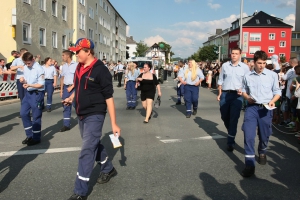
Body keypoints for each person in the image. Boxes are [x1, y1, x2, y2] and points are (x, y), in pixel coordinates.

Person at [63, 38, 120, 200]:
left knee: (87, 150)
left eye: (78, 52)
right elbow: (79, 88)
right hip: (81, 112)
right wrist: (71, 98)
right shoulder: (79, 67)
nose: (75, 55)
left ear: (88, 51)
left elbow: (109, 98)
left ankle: (80, 191)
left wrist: (114, 123)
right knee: (93, 144)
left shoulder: (101, 71)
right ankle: (108, 168)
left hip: (95, 114)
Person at [241, 50, 281, 177]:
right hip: (252, 108)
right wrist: (247, 98)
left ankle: (262, 151)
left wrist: (272, 101)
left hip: (265, 109)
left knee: (264, 135)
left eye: (264, 63)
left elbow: (277, 92)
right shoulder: (247, 76)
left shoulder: (272, 75)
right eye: (259, 63)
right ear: (254, 62)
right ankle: (249, 164)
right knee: (248, 135)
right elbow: (243, 90)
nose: (262, 65)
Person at [217, 47, 249, 152]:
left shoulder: (245, 67)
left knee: (234, 118)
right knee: (224, 116)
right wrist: (219, 93)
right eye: (232, 53)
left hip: (237, 96)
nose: (234, 55)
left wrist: (243, 90)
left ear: (240, 55)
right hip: (225, 94)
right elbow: (220, 80)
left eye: (236, 53)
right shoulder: (225, 65)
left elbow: (247, 83)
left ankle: (230, 142)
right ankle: (230, 130)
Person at [19, 52, 45, 146]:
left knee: (36, 116)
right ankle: (29, 135)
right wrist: (23, 80)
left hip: (37, 94)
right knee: (23, 113)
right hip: (28, 93)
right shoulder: (26, 67)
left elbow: (41, 84)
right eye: (26, 63)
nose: (27, 65)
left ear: (33, 60)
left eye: (28, 63)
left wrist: (29, 84)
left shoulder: (39, 69)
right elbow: (27, 79)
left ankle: (36, 138)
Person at [60, 50, 78, 132]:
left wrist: (72, 86)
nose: (62, 57)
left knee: (77, 105)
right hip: (66, 88)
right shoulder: (64, 66)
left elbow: (79, 78)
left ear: (68, 56)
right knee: (66, 106)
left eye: (63, 55)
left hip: (74, 88)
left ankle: (83, 122)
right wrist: (61, 90)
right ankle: (66, 125)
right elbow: (62, 78)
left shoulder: (76, 65)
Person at [280, 57, 299, 127]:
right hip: (295, 92)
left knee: (290, 109)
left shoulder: (291, 70)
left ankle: (290, 122)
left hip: (291, 93)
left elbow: (284, 78)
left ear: (291, 62)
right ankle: (293, 122)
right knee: (294, 110)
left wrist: (282, 78)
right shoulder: (295, 70)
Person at [10, 48, 28, 114]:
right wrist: (18, 66)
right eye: (25, 53)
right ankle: (23, 111)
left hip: (27, 80)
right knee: (21, 96)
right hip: (19, 79)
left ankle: (26, 111)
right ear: (22, 53)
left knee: (27, 95)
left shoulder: (27, 60)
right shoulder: (17, 60)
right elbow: (11, 68)